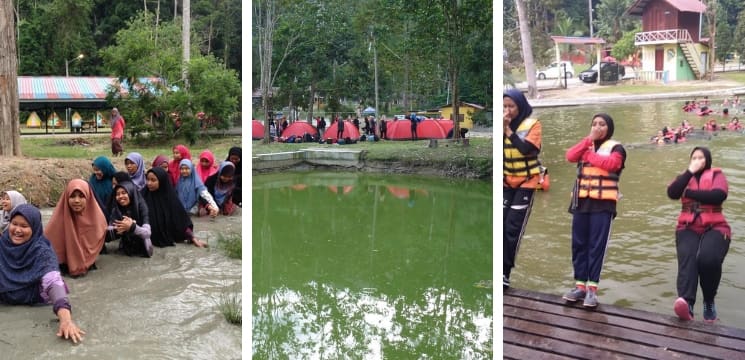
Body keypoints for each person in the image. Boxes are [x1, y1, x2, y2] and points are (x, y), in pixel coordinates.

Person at [563, 113, 626, 308]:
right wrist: (588, 140)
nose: (598, 127)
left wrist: (589, 154)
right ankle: (580, 286)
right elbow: (570, 156)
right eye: (595, 124)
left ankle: (592, 290)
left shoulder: (617, 148)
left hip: (603, 205)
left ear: (609, 128)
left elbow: (612, 165)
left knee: (596, 246)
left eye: (602, 124)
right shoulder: (585, 144)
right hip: (581, 202)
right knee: (579, 244)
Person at [0, 204, 85, 343]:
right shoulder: (3, 244)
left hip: (35, 302)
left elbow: (53, 282)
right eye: (14, 224)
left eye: (24, 226)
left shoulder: (42, 251)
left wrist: (66, 320)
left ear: (34, 228)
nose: (17, 230)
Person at [667, 147, 730, 322]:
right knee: (688, 257)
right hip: (687, 227)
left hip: (715, 226)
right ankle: (687, 305)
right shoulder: (684, 178)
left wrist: (688, 193)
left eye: (700, 157)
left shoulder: (717, 176)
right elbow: (672, 193)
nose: (696, 160)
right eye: (694, 157)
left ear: (707, 160)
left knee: (708, 259)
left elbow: (718, 196)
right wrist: (689, 172)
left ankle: (709, 301)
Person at [503, 89, 543, 289]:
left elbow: (527, 150)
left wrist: (508, 131)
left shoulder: (532, 125)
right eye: (504, 106)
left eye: (511, 106)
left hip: (526, 182)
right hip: (506, 182)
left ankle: (505, 273)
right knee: (500, 226)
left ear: (520, 106)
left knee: (512, 229)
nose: (507, 111)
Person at [45, 179, 107, 277]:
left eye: (81, 196)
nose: (77, 201)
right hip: (61, 269)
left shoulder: (99, 222)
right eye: (72, 196)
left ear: (88, 197)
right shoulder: (55, 225)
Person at [143, 167, 207, 248]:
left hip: (166, 240)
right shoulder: (143, 196)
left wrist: (193, 238)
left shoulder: (171, 199)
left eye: (153, 180)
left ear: (162, 181)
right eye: (147, 179)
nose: (149, 183)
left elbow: (181, 222)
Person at [107, 181, 153, 257]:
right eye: (117, 194)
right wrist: (121, 227)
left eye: (124, 193)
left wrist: (132, 226)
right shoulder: (116, 210)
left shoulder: (142, 207)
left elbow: (147, 233)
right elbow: (109, 231)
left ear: (131, 193)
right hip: (125, 249)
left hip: (143, 250)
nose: (120, 196)